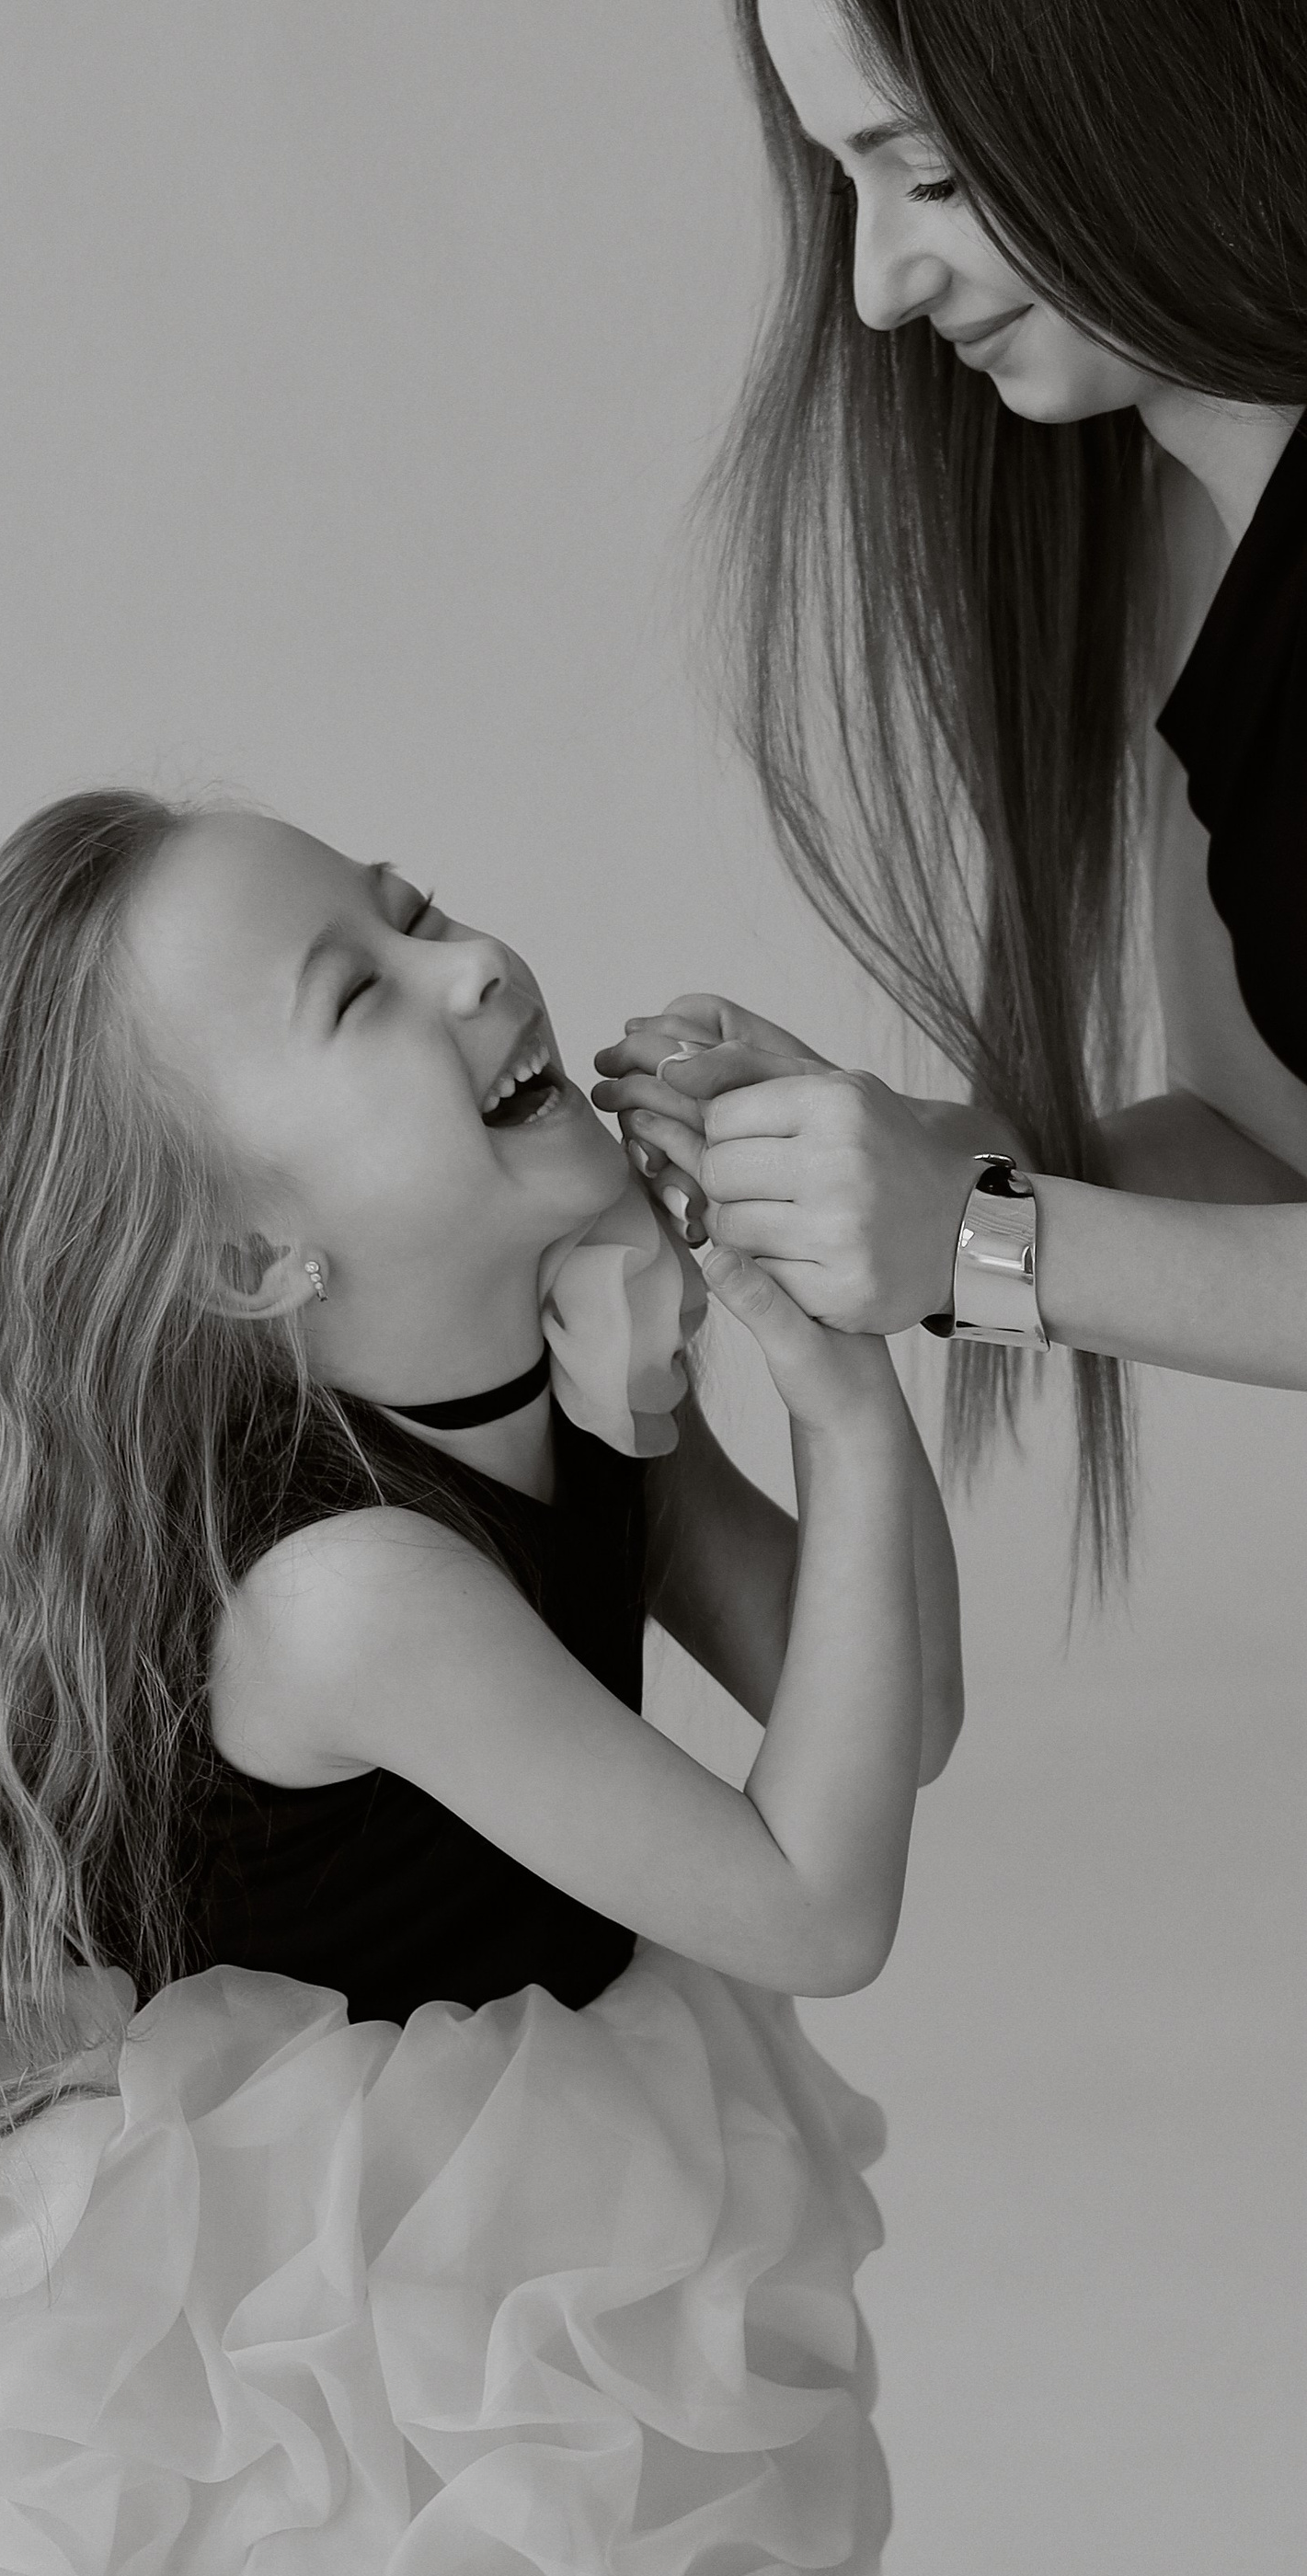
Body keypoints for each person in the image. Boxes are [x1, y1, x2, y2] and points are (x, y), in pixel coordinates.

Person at [0, 792, 961, 2576]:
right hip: (265, 2282)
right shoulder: (348, 1596)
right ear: (246, 1262)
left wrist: (766, 1335)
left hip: (496, 2150)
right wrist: (843, 1399)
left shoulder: (572, 1362)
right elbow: (816, 1905)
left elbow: (895, 1717)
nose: (471, 968)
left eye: (418, 912)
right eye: (359, 995)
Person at [592, 0, 1307, 1586]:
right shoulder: (1185, 527)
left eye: (927, 174)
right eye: (843, 182)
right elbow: (1271, 1141)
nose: (874, 290)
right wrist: (929, 1170)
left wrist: (989, 1245)